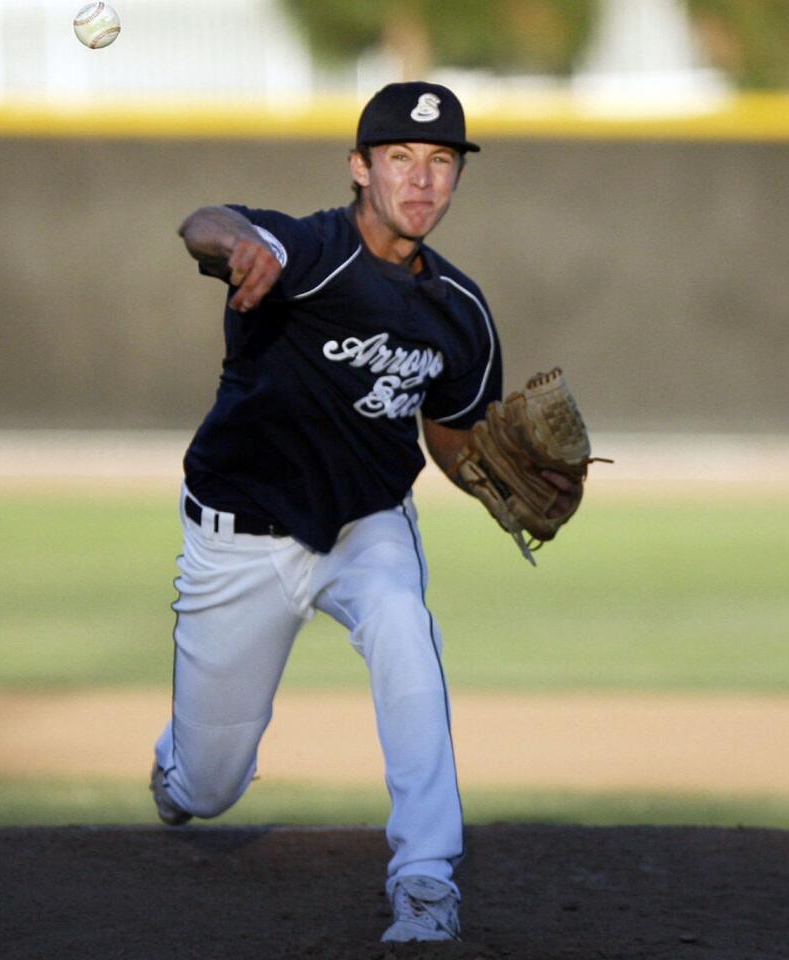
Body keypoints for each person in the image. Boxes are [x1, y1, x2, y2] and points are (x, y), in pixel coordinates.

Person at [151, 80, 499, 943]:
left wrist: (506, 490)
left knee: (403, 625)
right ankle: (181, 765)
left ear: (456, 177)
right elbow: (207, 220)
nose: (421, 181)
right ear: (360, 167)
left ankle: (424, 881)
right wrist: (244, 250)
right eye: (400, 159)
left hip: (365, 526)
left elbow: (451, 439)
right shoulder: (309, 252)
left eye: (441, 162)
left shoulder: (462, 314)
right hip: (241, 534)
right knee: (207, 788)